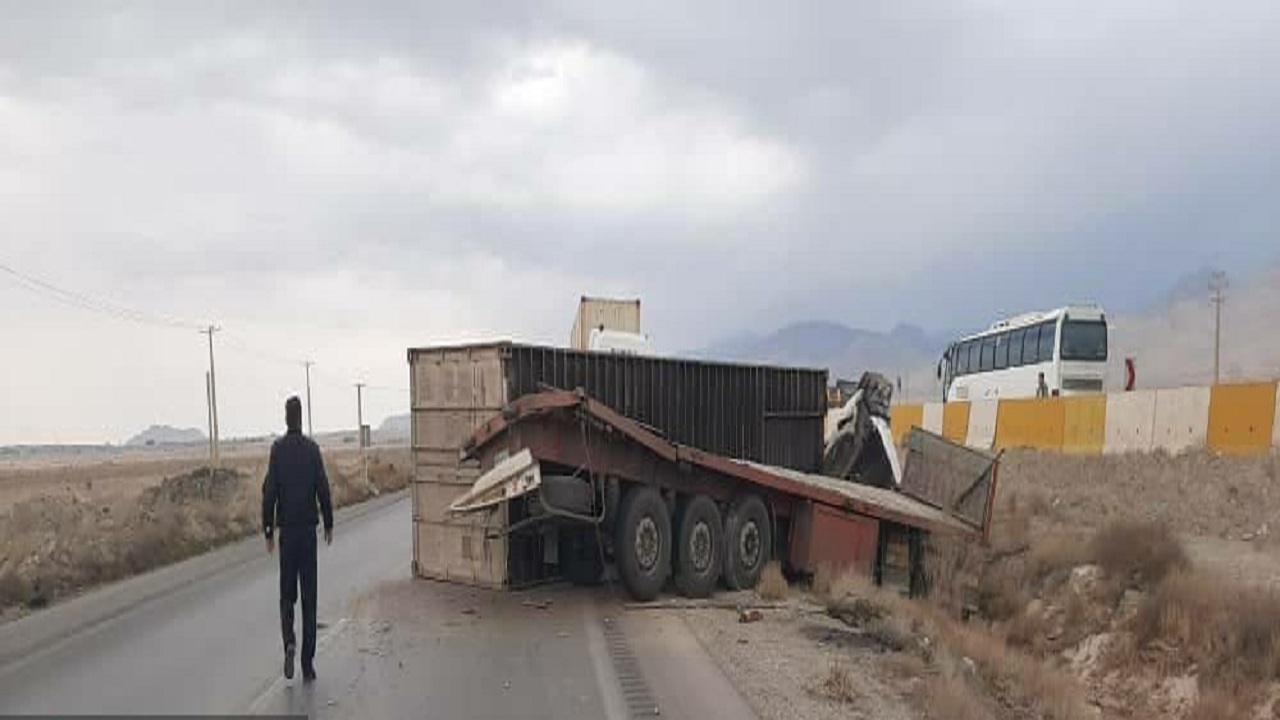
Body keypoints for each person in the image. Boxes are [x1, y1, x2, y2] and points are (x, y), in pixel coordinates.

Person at [262, 396, 333, 682]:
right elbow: (323, 487)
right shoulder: (312, 450)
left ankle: (289, 641)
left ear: (285, 418)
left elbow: (269, 493)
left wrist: (268, 528)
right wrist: (328, 522)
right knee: (309, 597)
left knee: (287, 596)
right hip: (307, 533)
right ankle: (307, 663)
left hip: (288, 536)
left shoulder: (277, 451)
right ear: (300, 418)